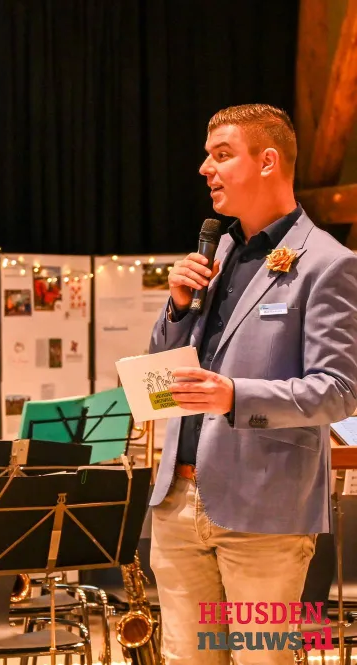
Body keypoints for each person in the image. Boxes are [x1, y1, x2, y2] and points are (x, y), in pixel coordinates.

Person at [149, 104, 357, 664]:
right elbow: (166, 369)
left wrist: (236, 396)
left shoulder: (328, 263)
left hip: (263, 512)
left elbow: (339, 390)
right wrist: (178, 307)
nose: (205, 169)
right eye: (207, 156)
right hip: (178, 502)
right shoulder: (215, 252)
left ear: (267, 161)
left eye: (221, 155)